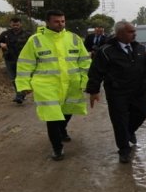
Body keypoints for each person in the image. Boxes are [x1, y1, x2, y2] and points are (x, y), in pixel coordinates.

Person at [16, 10, 91, 161]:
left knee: (67, 111)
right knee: (52, 117)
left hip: (71, 83)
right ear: (48, 22)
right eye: (57, 21)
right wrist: (24, 84)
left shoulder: (74, 39)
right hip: (46, 85)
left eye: (63, 21)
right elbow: (25, 64)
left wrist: (85, 81)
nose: (61, 24)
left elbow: (85, 62)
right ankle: (57, 148)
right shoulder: (35, 40)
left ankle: (62, 130)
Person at [86, 21, 146, 164]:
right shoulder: (106, 51)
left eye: (134, 31)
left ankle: (129, 132)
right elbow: (96, 72)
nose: (134, 34)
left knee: (143, 112)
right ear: (119, 34)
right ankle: (124, 150)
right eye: (130, 31)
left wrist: (145, 83)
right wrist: (93, 91)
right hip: (117, 92)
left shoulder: (140, 48)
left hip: (137, 91)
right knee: (119, 121)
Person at [0, 17, 32, 104]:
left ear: (21, 24)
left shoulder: (27, 34)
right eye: (13, 25)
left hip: (24, 60)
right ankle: (19, 94)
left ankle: (21, 94)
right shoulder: (5, 34)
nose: (15, 26)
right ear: (10, 24)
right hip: (9, 58)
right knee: (13, 78)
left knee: (23, 77)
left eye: (17, 24)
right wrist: (1, 44)